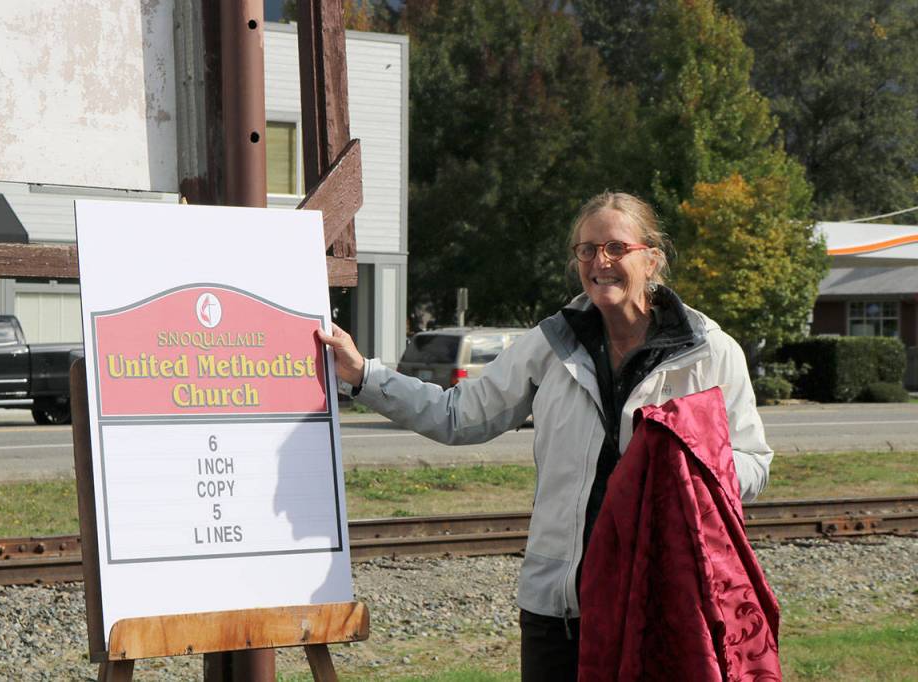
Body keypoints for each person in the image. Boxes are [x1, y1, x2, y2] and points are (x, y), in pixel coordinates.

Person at [317, 191, 772, 681]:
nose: (600, 261)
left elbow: (754, 464)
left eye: (617, 248)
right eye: (587, 249)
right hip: (560, 610)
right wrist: (365, 374)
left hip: (661, 604)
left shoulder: (709, 351)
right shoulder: (551, 343)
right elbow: (458, 414)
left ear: (652, 257)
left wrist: (686, 456)